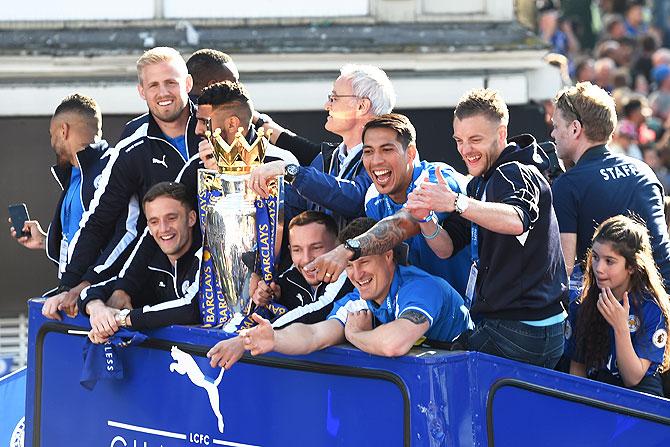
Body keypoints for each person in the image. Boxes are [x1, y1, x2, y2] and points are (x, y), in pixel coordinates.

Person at [403, 88, 567, 367]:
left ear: (501, 134)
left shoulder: (514, 171)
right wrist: (425, 218)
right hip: (521, 326)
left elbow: (517, 219)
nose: (465, 150)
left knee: (448, 372)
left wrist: (455, 201)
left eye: (475, 140)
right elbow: (447, 247)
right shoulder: (480, 182)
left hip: (524, 327)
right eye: (459, 140)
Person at [209, 217, 471, 366]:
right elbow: (314, 335)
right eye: (350, 265)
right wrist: (273, 340)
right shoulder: (356, 300)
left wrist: (354, 334)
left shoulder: (422, 287)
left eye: (365, 262)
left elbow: (394, 344)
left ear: (388, 255)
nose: (357, 275)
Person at [55, 47, 201, 314]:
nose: (163, 93)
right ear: (141, 91)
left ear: (188, 83)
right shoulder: (133, 147)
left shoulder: (215, 123)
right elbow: (100, 220)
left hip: (222, 270)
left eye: (171, 82)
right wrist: (71, 284)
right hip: (160, 277)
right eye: (153, 85)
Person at [300, 113, 470, 297]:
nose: (376, 160)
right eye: (368, 151)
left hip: (467, 314)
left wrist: (347, 250)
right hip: (414, 306)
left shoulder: (437, 178)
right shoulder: (373, 198)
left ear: (411, 153)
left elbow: (405, 222)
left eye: (387, 150)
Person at [8, 94, 120, 320]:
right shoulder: (75, 175)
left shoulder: (109, 169)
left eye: (52, 135)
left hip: (101, 305)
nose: (52, 142)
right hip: (73, 299)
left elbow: (119, 240)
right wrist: (43, 240)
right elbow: (79, 243)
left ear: (63, 130)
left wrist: (88, 287)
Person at [550, 81, 670, 287]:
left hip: (614, 303)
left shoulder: (567, 185)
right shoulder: (643, 171)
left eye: (556, 126)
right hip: (662, 294)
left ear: (575, 129)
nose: (552, 135)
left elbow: (565, 273)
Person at [249, 64, 397, 229]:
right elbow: (298, 208)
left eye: (334, 98)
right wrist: (263, 189)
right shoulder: (326, 158)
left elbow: (356, 199)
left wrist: (290, 172)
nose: (326, 105)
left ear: (361, 106)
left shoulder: (385, 159)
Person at [206, 211, 354, 369]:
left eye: (316, 247)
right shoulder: (288, 278)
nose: (306, 259)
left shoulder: (348, 275)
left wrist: (247, 339)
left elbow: (318, 310)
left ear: (337, 248)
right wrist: (263, 297)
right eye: (297, 250)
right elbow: (264, 302)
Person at [79, 182, 202, 343]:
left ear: (191, 218)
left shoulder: (206, 255)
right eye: (154, 221)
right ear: (148, 228)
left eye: (171, 218)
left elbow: (191, 308)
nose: (163, 229)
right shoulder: (152, 265)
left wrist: (122, 319)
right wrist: (97, 309)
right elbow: (93, 291)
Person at [565, 215, 669, 397]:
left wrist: (621, 326)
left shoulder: (651, 309)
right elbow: (577, 367)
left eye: (609, 261)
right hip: (598, 385)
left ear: (632, 267)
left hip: (639, 392)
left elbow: (632, 378)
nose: (598, 268)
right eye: (595, 257)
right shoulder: (582, 301)